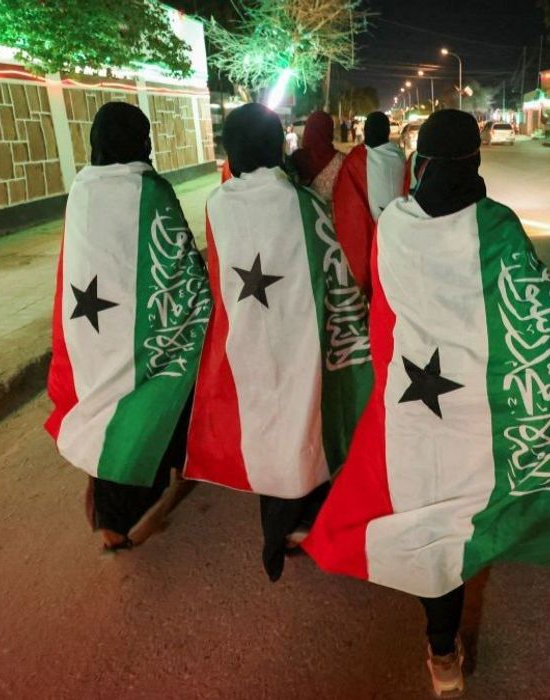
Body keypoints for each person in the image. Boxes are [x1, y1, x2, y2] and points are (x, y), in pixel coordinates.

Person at [304, 110, 550, 699]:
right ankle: (445, 647)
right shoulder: (497, 225)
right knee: (465, 517)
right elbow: (543, 319)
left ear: (422, 164)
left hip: (412, 409)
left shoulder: (395, 226)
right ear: (474, 164)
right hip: (479, 418)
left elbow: (384, 313)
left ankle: (441, 650)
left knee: (427, 517)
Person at [184, 103, 372, 582]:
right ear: (276, 145)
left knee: (264, 422)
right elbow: (335, 273)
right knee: (306, 417)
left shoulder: (216, 204)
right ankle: (306, 522)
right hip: (299, 336)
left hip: (247, 338)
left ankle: (278, 528)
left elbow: (218, 275)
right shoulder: (302, 203)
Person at [45, 102, 210, 551]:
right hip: (143, 329)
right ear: (141, 140)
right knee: (155, 401)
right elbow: (177, 263)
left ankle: (109, 513)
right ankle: (142, 502)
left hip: (95, 325)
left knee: (103, 405)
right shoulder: (149, 190)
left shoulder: (81, 189)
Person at [331, 111, 407, 294]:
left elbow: (346, 202)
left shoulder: (357, 158)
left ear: (366, 131)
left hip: (370, 236)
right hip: (398, 232)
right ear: (387, 131)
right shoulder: (399, 156)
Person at [289, 111, 345, 204]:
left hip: (304, 216)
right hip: (333, 217)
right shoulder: (342, 162)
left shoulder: (296, 159)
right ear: (329, 130)